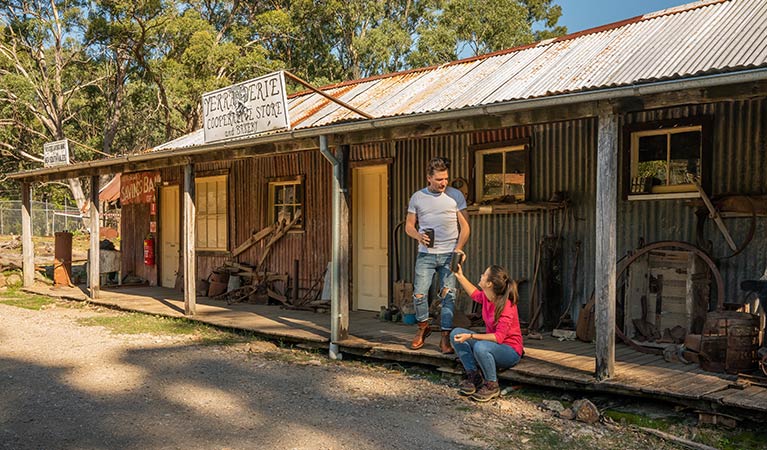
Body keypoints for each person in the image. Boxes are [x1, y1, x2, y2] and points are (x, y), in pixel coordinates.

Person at [405, 156, 470, 353]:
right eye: (439, 179)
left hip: (449, 254)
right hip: (426, 255)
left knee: (449, 296)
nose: (444, 183)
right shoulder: (417, 197)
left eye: (446, 179)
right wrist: (418, 236)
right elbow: (409, 225)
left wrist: (459, 248)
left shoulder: (455, 196)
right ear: (429, 178)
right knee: (419, 294)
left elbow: (465, 226)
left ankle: (445, 338)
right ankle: (423, 328)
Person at [450, 264, 523, 402]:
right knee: (456, 333)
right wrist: (459, 275)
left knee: (480, 346)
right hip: (490, 345)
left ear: (489, 283)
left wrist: (471, 336)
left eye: (484, 274)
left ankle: (491, 385)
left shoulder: (507, 305)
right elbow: (474, 294)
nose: (481, 276)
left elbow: (498, 337)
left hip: (510, 351)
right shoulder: (486, 297)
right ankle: (474, 376)